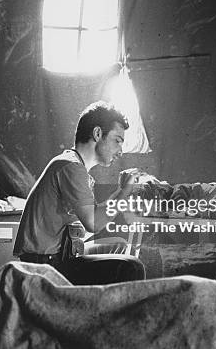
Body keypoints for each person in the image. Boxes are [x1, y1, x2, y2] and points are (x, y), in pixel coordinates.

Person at [13, 101, 146, 284]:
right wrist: (125, 192)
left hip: (60, 255)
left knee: (119, 246)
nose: (120, 151)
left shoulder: (74, 166)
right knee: (132, 267)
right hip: (47, 266)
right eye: (117, 140)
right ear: (98, 134)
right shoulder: (71, 167)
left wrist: (121, 191)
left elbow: (92, 217)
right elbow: (94, 222)